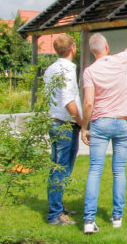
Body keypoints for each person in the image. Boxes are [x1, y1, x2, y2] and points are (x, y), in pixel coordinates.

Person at [80, 25, 127, 234]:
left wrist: (84, 127)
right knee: (119, 170)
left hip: (101, 123)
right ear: (107, 47)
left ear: (92, 51)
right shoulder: (120, 60)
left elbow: (88, 102)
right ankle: (117, 218)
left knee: (95, 170)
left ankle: (89, 220)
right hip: (123, 122)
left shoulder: (89, 72)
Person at [44, 34, 84, 226]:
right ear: (73, 48)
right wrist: (82, 122)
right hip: (65, 124)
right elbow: (69, 101)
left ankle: (58, 206)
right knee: (61, 168)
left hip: (55, 121)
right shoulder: (67, 70)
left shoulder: (51, 69)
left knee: (58, 166)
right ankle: (55, 214)